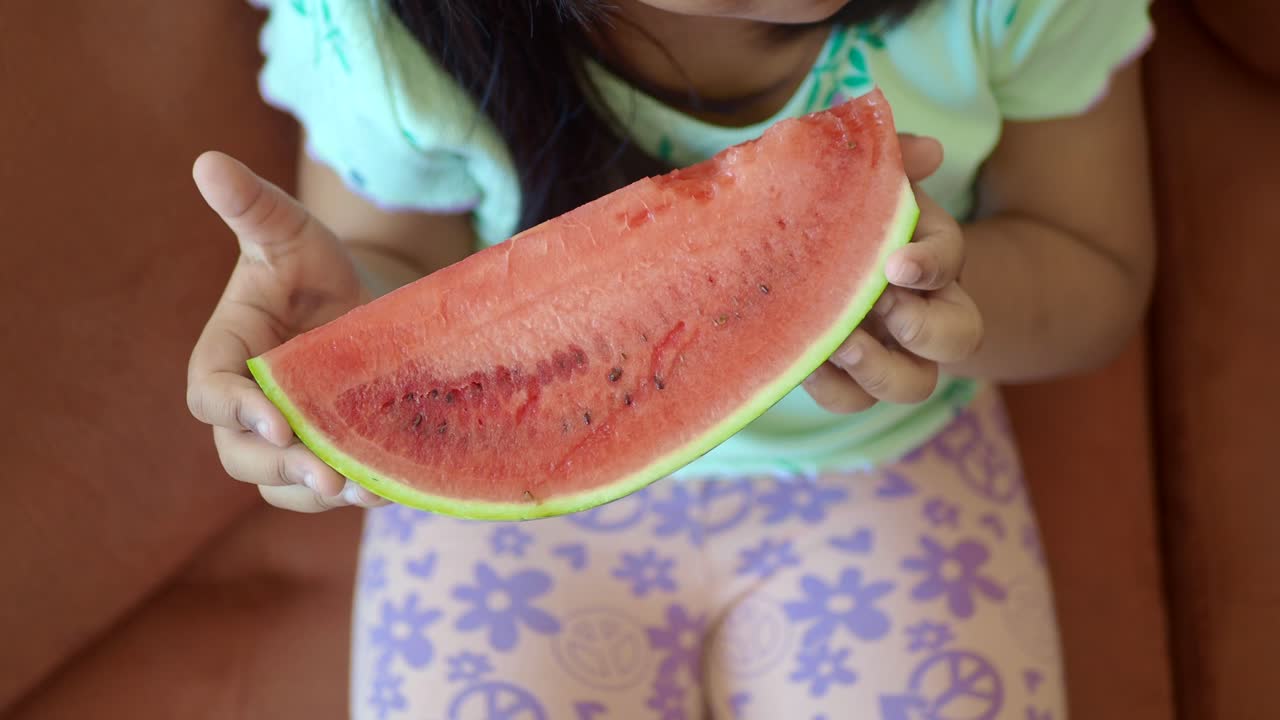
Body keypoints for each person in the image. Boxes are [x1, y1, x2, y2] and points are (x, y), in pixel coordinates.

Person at [186, 0, 1155, 716]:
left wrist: (934, 293)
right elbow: (398, 256)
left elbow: (1094, 276)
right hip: (510, 514)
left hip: (881, 461)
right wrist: (340, 335)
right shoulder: (388, 34)